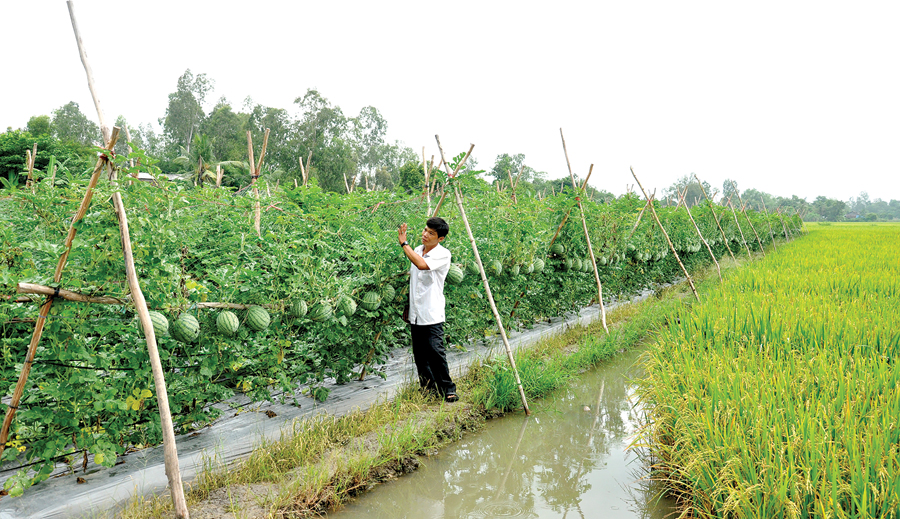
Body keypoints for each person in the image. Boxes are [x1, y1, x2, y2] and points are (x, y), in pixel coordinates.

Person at [397, 217, 458, 402]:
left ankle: (448, 389)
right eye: (425, 230)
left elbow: (422, 265)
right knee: (420, 354)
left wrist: (404, 243)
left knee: (435, 351)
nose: (425, 234)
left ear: (440, 238)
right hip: (416, 312)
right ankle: (428, 389)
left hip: (431, 312)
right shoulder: (417, 250)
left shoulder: (443, 254)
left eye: (431, 233)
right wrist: (408, 305)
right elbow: (414, 280)